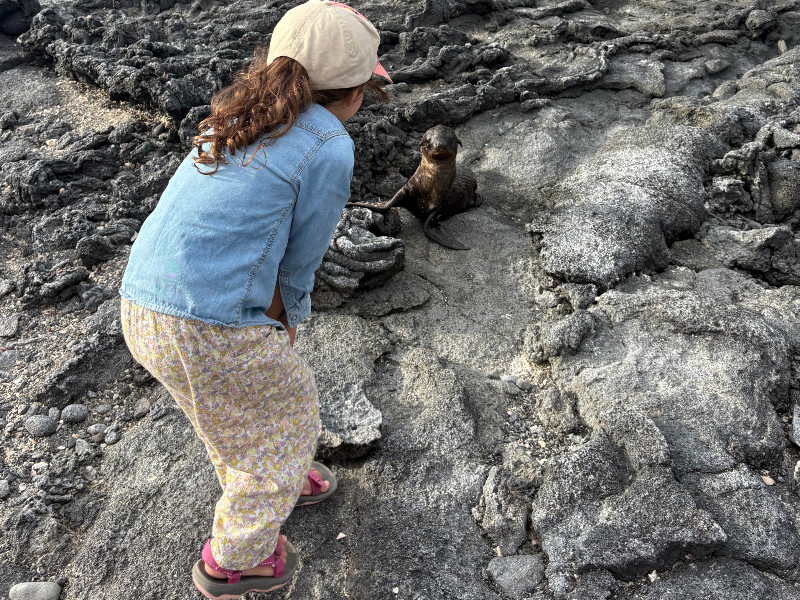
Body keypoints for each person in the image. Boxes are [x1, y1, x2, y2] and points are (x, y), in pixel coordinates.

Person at [118, 1, 391, 598]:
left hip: (142, 302)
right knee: (290, 419)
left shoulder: (236, 114)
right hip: (209, 322)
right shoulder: (328, 145)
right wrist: (287, 316)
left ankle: (275, 478)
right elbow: (303, 253)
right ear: (351, 93)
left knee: (230, 407)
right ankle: (236, 560)